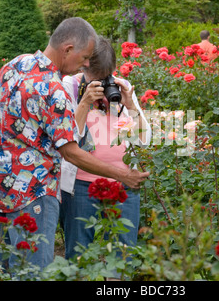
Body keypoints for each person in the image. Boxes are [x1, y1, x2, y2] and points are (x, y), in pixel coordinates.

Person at [0, 18, 149, 273]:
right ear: (67, 49)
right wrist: (123, 175)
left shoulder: (14, 65)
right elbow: (70, 151)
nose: (84, 65)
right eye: (83, 58)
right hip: (33, 195)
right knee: (31, 274)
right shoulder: (55, 89)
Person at [59, 36, 151, 277]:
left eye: (105, 76)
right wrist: (85, 102)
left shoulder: (121, 86)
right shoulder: (70, 86)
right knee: (78, 256)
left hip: (124, 183)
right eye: (95, 78)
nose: (102, 83)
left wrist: (130, 105)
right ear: (84, 65)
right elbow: (68, 139)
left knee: (123, 257)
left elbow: (144, 138)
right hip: (80, 184)